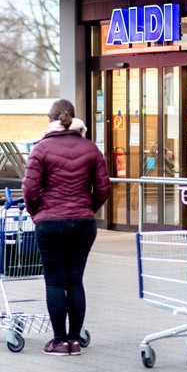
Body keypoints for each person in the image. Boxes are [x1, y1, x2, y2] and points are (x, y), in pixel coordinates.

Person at [21, 99, 111, 356]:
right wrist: (86, 208)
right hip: (83, 223)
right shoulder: (91, 148)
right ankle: (75, 340)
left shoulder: (40, 149)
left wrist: (37, 211)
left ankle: (59, 340)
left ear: (49, 120)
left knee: (54, 282)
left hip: (49, 223)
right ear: (74, 119)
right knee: (75, 281)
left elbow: (29, 188)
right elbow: (104, 188)